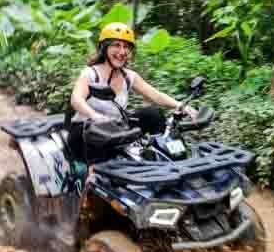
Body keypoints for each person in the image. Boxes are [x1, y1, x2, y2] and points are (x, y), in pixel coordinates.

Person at [69, 22, 197, 161]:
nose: (122, 52)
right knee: (100, 128)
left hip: (116, 130)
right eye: (116, 45)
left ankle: (166, 157)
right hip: (85, 134)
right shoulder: (91, 73)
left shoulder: (128, 76)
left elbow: (156, 95)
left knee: (152, 113)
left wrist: (180, 105)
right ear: (104, 48)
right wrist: (95, 116)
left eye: (126, 47)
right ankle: (92, 176)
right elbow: (76, 99)